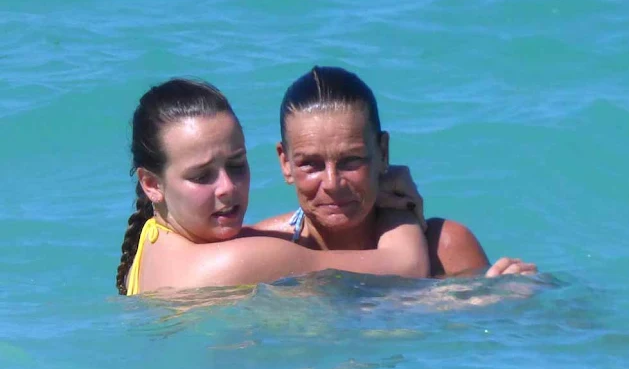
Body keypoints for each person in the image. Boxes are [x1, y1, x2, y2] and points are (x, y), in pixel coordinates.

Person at [115, 78, 429, 296]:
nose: (227, 187)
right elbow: (406, 267)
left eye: (237, 165)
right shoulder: (232, 263)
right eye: (201, 177)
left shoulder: (151, 244)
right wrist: (396, 208)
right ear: (151, 184)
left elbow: (258, 243)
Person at [252, 66, 536, 278]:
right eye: (311, 164)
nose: (332, 183)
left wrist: (514, 299)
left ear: (383, 152)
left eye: (351, 160)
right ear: (285, 163)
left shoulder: (444, 246)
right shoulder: (259, 246)